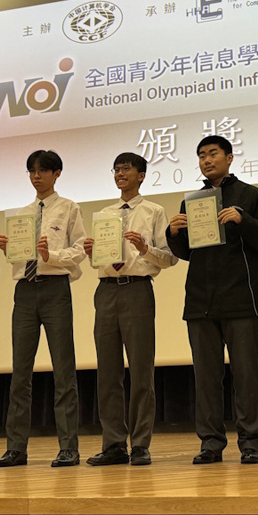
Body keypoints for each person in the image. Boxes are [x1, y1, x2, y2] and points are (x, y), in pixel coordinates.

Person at [167, 135, 258, 465]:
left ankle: (251, 443)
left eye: (213, 153)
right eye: (201, 155)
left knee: (246, 376)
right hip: (200, 301)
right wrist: (174, 234)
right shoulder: (193, 201)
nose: (206, 160)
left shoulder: (251, 195)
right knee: (206, 378)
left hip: (241, 299)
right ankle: (211, 443)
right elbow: (189, 252)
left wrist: (243, 220)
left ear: (229, 157)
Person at [0, 149, 87, 468]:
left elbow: (80, 249)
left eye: (43, 170)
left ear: (57, 173)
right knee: (20, 372)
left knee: (63, 369)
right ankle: (16, 448)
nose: (36, 176)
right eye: (32, 170)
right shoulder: (21, 214)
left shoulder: (69, 208)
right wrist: (9, 250)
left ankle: (68, 447)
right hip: (25, 290)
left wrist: (51, 257)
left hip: (55, 287)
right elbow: (19, 259)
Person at [82, 152, 177, 467]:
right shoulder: (103, 214)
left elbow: (170, 258)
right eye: (116, 169)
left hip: (137, 289)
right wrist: (92, 252)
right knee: (108, 372)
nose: (120, 173)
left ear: (141, 175)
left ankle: (139, 444)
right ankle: (113, 444)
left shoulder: (154, 211)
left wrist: (144, 248)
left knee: (140, 370)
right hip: (106, 290)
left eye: (126, 169)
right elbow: (99, 260)